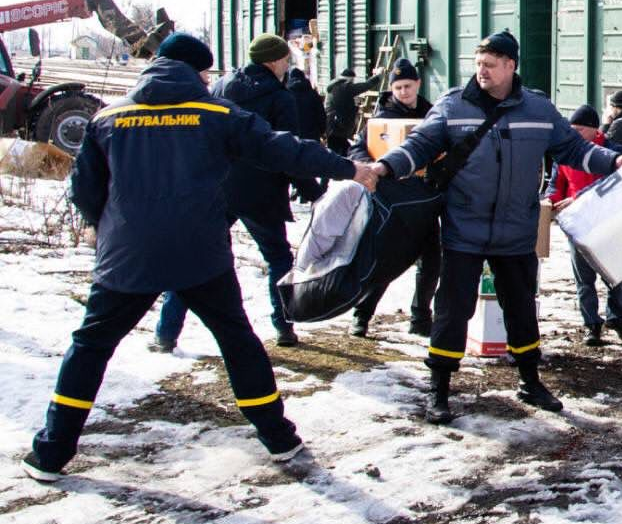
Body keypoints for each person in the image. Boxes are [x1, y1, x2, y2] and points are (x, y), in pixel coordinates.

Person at [20, 33, 375, 483]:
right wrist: (350, 169)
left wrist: (108, 227)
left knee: (90, 346)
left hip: (126, 256)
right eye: (205, 72)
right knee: (237, 339)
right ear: (196, 71)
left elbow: (84, 189)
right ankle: (279, 437)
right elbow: (283, 149)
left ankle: (51, 452)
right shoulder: (216, 115)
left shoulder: (109, 117)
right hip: (200, 254)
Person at [370, 30, 622, 424]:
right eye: (478, 65)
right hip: (463, 231)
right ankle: (439, 388)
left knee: (522, 311)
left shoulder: (538, 110)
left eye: (490, 65)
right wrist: (385, 166)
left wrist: (612, 161)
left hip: (516, 233)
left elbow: (574, 149)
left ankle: (530, 381)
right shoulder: (453, 105)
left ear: (511, 65)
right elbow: (420, 145)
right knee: (452, 312)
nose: (482, 72)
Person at [154, 34, 316, 350]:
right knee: (279, 259)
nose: (288, 64)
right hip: (260, 191)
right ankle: (284, 327)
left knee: (194, 255)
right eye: (285, 59)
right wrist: (311, 189)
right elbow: (289, 150)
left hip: (217, 188)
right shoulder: (280, 98)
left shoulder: (222, 86)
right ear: (273, 61)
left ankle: (166, 332)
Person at [348, 57, 440, 337]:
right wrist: (374, 168)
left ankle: (421, 318)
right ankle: (362, 315)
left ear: (418, 84)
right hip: (394, 200)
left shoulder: (431, 114)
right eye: (398, 87)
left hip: (425, 198)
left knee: (433, 261)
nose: (403, 92)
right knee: (388, 259)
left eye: (408, 86)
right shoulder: (382, 118)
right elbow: (358, 151)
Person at [547, 104, 622, 347]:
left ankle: (616, 318)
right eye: (571, 128)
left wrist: (578, 198)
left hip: (609, 222)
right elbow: (556, 185)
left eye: (579, 129)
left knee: (615, 276)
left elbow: (618, 185)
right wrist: (549, 202)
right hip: (579, 224)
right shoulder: (564, 154)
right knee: (584, 280)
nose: (574, 134)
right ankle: (591, 325)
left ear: (594, 130)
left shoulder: (612, 151)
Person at [284, 65, 329, 203]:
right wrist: (322, 131)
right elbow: (321, 114)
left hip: (293, 134)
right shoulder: (312, 93)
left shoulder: (286, 92)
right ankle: (306, 192)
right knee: (308, 161)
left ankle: (297, 188)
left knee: (293, 162)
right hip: (311, 133)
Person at [324, 65, 383, 156]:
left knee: (337, 149)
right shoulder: (345, 87)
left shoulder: (334, 87)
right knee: (342, 151)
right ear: (350, 79)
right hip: (338, 127)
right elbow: (366, 85)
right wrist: (378, 75)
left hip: (332, 125)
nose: (353, 83)